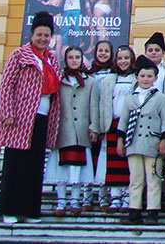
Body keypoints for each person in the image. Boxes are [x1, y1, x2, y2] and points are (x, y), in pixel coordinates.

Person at [0, 11, 62, 224]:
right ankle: (10, 209)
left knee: (34, 165)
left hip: (42, 118)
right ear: (32, 35)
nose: (43, 39)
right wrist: (8, 114)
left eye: (47, 35)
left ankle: (30, 210)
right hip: (20, 119)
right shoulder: (19, 55)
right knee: (15, 165)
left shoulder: (50, 59)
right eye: (39, 34)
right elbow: (6, 85)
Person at [117, 55, 165, 225]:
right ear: (136, 77)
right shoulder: (130, 99)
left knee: (153, 178)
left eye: (149, 76)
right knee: (135, 179)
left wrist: (164, 141)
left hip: (153, 144)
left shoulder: (162, 99)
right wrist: (120, 141)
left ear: (155, 78)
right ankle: (134, 212)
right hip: (133, 143)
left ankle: (152, 212)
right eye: (142, 76)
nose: (146, 79)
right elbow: (123, 122)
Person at [44, 46, 97, 216]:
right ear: (65, 59)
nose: (74, 60)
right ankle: (61, 201)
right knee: (62, 168)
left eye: (77, 57)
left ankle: (75, 200)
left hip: (81, 132)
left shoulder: (89, 81)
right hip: (63, 131)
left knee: (77, 168)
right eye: (70, 57)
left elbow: (93, 107)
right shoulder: (59, 79)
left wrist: (94, 127)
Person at [95, 45, 136, 212]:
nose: (123, 61)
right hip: (112, 125)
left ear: (131, 60)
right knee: (112, 163)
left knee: (127, 162)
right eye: (120, 59)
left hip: (130, 124)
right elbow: (103, 104)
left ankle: (127, 197)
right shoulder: (109, 79)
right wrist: (98, 127)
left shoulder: (136, 78)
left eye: (126, 58)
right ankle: (115, 197)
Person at [85, 40, 113, 209]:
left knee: (104, 161)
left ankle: (104, 195)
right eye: (100, 50)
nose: (103, 53)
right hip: (90, 121)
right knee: (88, 161)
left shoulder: (114, 74)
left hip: (106, 122)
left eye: (106, 51)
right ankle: (87, 195)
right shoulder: (88, 75)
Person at [144, 31, 165, 96]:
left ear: (163, 52)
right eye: (150, 50)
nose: (153, 53)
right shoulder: (138, 71)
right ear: (146, 53)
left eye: (157, 50)